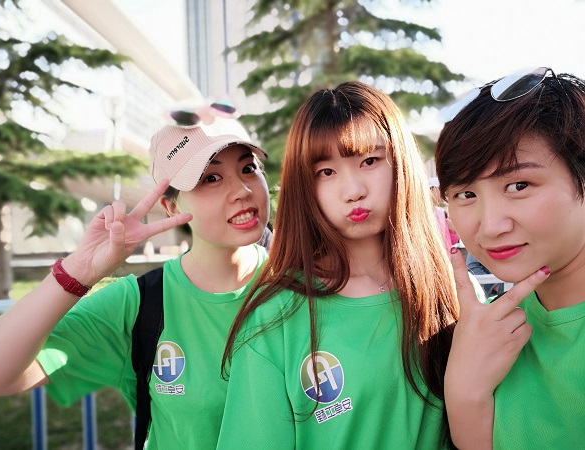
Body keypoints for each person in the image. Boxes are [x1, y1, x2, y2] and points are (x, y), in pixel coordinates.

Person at [0, 113, 271, 448]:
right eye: (211, 178)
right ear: (170, 206)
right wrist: (77, 271)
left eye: (248, 168)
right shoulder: (140, 304)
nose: (242, 190)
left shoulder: (306, 285)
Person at [216, 81, 470, 449]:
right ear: (305, 186)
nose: (353, 191)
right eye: (326, 172)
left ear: (401, 163)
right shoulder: (275, 318)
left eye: (369, 161)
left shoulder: (453, 290)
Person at [435, 67, 585, 448]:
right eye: (466, 194)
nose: (491, 226)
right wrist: (464, 393)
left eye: (519, 185)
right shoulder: (487, 330)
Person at [429, 176, 459, 252]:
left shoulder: (442, 213)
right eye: (439, 189)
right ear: (430, 190)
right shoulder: (421, 214)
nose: (442, 193)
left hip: (443, 254)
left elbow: (452, 241)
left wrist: (453, 230)